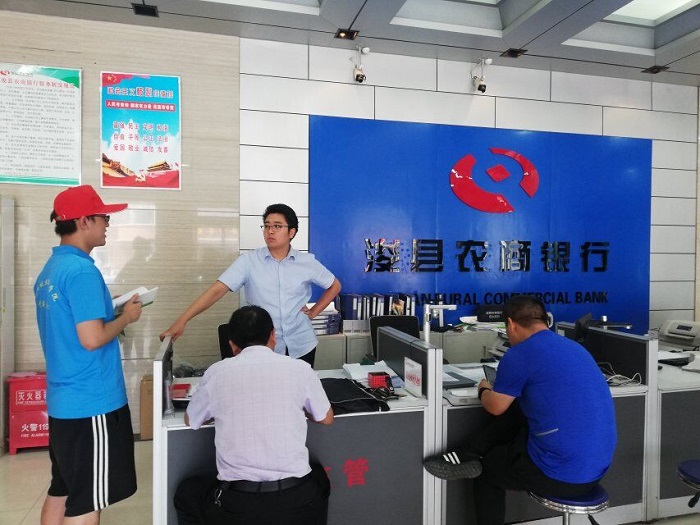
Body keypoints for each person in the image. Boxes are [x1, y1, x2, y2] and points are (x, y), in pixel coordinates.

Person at [423, 295, 616, 525]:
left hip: (559, 473)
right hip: (597, 469)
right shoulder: (575, 348)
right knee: (520, 409)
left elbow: (495, 407)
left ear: (511, 324)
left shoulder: (521, 353)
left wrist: (484, 389)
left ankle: (470, 455)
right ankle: (468, 452)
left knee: (488, 468)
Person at [34, 184, 143, 525]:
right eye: (103, 217)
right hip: (91, 402)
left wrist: (111, 311)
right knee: (87, 500)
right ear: (83, 221)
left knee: (63, 488)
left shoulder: (52, 269)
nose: (108, 223)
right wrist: (126, 317)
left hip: (64, 402)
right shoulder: (82, 271)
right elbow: (92, 338)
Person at [174, 305, 334, 525]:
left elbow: (191, 419)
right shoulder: (300, 369)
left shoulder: (217, 372)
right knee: (320, 480)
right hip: (297, 501)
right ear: (273, 336)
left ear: (232, 344)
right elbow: (326, 418)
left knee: (187, 493)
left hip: (238, 506)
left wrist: (218, 411)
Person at [161, 203, 341, 367]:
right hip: (262, 346)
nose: (270, 231)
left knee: (299, 391)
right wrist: (182, 320)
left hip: (301, 344)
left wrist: (314, 312)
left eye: (277, 226)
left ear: (291, 232)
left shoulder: (306, 262)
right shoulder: (248, 261)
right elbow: (217, 290)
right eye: (267, 226)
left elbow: (334, 286)